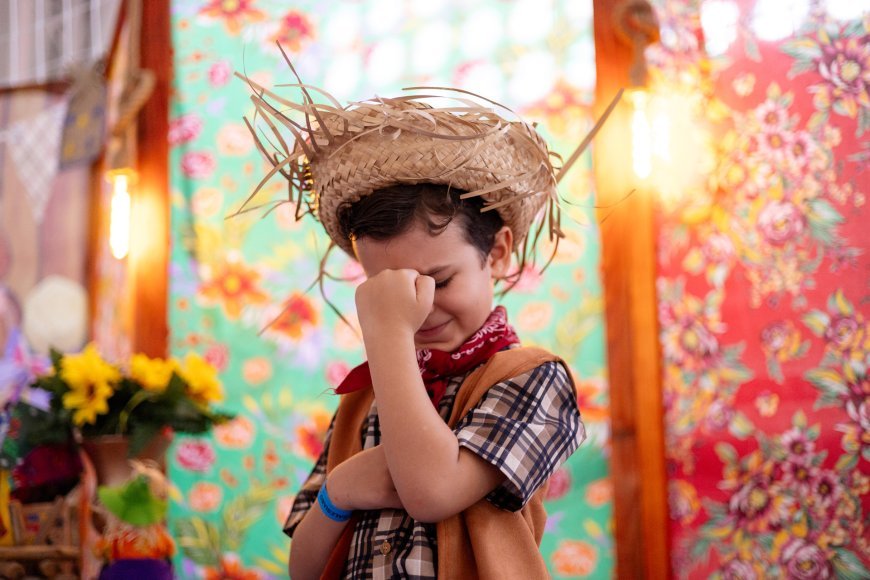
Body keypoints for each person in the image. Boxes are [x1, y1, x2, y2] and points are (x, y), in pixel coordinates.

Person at [239, 66, 595, 579]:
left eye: (440, 281)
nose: (417, 310)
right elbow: (304, 568)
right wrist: (339, 492)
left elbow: (432, 491)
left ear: (495, 252)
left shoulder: (531, 376)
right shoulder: (365, 399)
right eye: (393, 290)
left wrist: (386, 336)